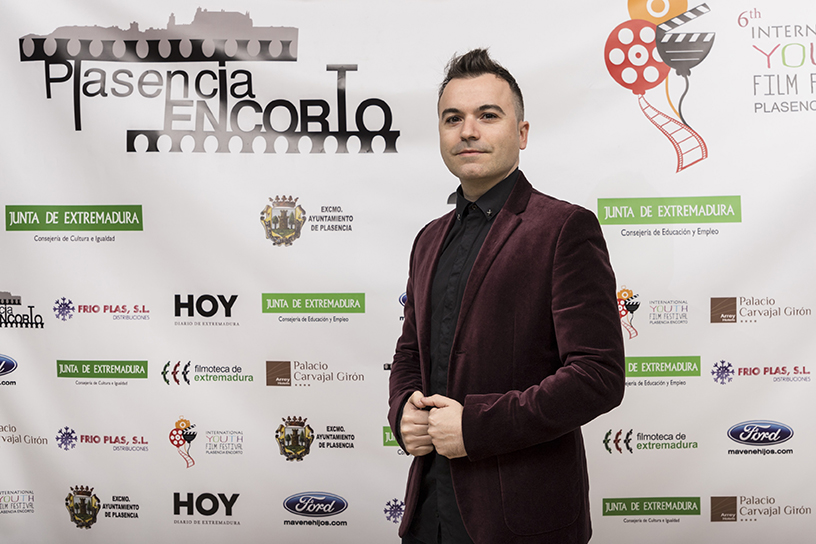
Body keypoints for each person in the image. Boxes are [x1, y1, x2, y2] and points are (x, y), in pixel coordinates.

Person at [387, 49, 625, 544]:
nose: (468, 131)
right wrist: (402, 409)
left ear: (521, 133)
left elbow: (597, 376)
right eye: (453, 119)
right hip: (429, 513)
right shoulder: (428, 239)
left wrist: (476, 428)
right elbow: (410, 351)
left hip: (522, 521)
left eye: (488, 115)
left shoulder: (564, 229)